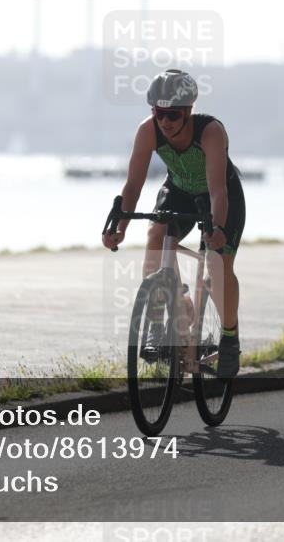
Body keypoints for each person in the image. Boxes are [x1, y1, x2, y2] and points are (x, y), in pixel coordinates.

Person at [102, 69, 246, 378]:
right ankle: (164, 319)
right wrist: (120, 228)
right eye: (159, 113)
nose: (165, 122)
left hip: (219, 195)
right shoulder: (148, 131)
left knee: (217, 267)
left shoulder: (210, 132)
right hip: (179, 191)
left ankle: (230, 337)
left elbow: (218, 191)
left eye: (173, 115)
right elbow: (133, 186)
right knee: (156, 237)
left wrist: (219, 230)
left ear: (188, 111)